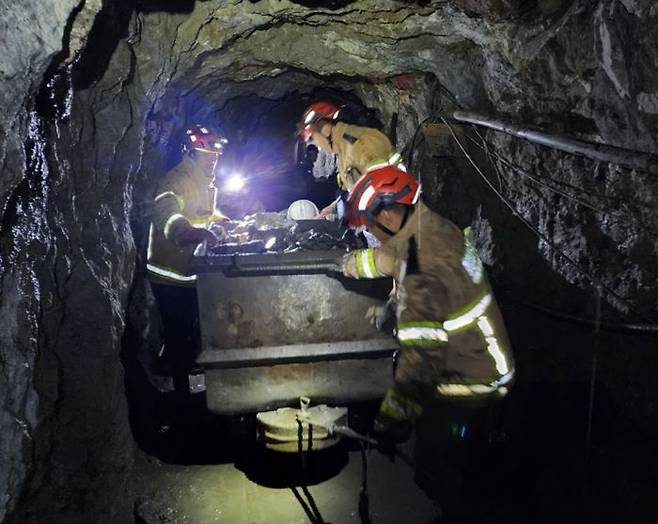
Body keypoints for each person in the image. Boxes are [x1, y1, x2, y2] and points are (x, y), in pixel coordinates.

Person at [340, 165, 515, 443]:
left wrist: (390, 419)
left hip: (472, 383)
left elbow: (421, 362)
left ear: (386, 215)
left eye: (370, 225)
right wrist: (351, 265)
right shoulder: (430, 225)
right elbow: (392, 258)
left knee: (439, 461)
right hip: (487, 358)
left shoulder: (421, 265)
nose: (372, 233)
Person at [147, 124, 228, 396]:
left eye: (215, 158)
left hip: (191, 271)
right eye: (208, 157)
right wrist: (190, 232)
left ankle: (191, 379)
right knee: (178, 331)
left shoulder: (204, 183)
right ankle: (180, 393)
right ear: (191, 155)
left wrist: (227, 222)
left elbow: (207, 213)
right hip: (169, 273)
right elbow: (167, 215)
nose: (213, 162)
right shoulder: (174, 181)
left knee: (193, 326)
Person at [298, 101, 406, 219]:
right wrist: (331, 208)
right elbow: (351, 190)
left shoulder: (361, 146)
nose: (317, 144)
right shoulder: (343, 151)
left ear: (326, 129)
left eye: (314, 138)